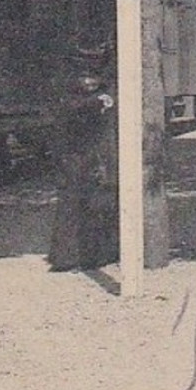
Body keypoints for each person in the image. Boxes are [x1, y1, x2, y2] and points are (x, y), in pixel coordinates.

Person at [47, 56, 119, 272]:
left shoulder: (97, 96)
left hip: (86, 157)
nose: (88, 82)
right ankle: (73, 257)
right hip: (77, 157)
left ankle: (87, 256)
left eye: (92, 77)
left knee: (88, 204)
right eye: (85, 78)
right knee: (79, 204)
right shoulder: (81, 99)